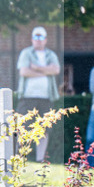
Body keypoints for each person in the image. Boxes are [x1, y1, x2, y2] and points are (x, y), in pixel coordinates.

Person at [17, 26, 61, 163]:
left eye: (41, 37)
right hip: (27, 96)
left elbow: (56, 70)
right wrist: (45, 71)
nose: (38, 40)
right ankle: (19, 156)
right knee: (22, 126)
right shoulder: (26, 53)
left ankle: (40, 159)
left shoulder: (51, 55)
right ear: (32, 39)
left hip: (46, 97)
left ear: (46, 39)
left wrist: (35, 68)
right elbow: (24, 72)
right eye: (36, 37)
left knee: (44, 129)